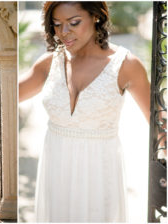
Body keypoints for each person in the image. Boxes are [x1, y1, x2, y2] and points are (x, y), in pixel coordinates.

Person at [19, 2, 151, 222]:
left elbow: (159, 125)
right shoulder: (49, 63)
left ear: (96, 17)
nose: (64, 32)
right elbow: (3, 92)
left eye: (74, 23)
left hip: (99, 175)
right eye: (57, 25)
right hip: (56, 173)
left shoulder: (126, 65)